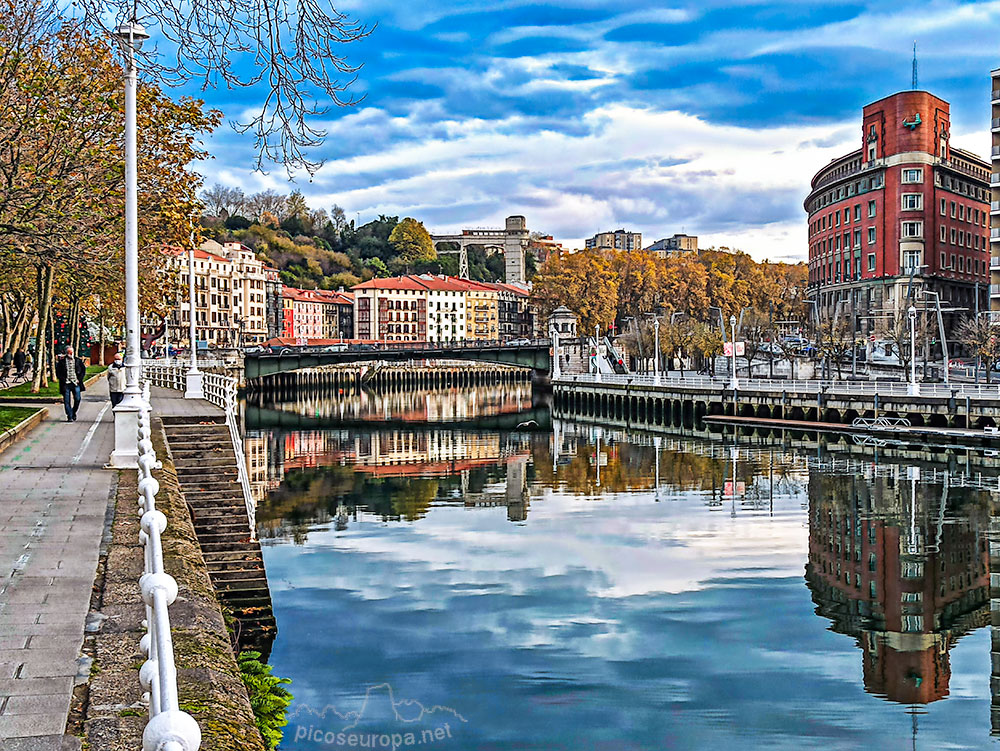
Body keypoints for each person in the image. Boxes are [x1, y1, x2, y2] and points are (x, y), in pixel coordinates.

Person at [55, 346, 86, 422]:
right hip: (66, 384)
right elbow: (58, 373)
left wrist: (80, 379)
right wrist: (63, 379)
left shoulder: (78, 361)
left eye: (72, 352)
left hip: (76, 383)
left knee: (77, 399)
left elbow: (83, 370)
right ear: (66, 353)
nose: (70, 354)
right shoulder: (61, 362)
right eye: (69, 352)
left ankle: (73, 412)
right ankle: (69, 416)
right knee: (66, 401)